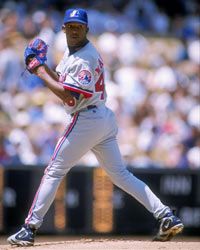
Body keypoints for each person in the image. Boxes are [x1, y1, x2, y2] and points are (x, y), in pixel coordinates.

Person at [7, 8, 184, 246]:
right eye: (70, 26)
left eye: (79, 26)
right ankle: (165, 215)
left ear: (87, 29)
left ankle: (29, 228)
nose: (74, 30)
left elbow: (69, 97)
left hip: (86, 118)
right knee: (120, 175)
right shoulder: (72, 54)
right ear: (64, 28)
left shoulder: (84, 57)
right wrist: (42, 65)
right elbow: (61, 82)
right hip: (101, 118)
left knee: (54, 170)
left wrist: (38, 70)